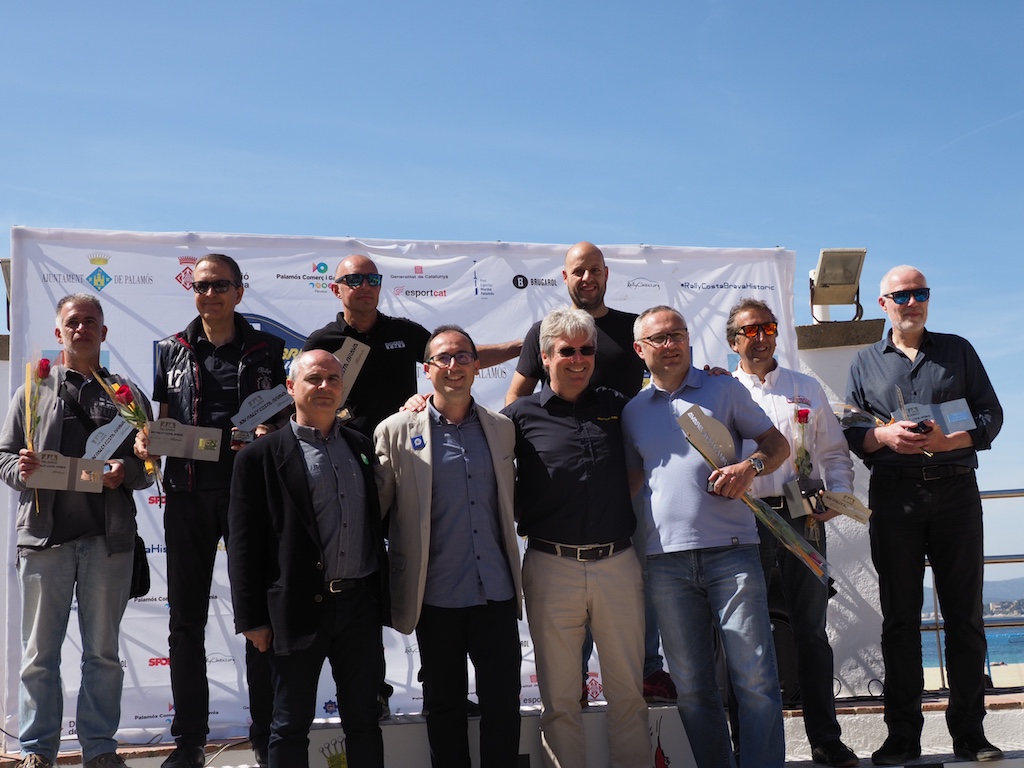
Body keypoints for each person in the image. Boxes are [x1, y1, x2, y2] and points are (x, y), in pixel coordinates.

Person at [504, 240, 674, 707]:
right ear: (565, 277)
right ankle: (572, 679)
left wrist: (716, 375)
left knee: (637, 584)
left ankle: (648, 671)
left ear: (606, 273)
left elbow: (667, 381)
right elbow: (515, 399)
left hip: (626, 485)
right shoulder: (544, 331)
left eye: (595, 269)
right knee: (571, 602)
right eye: (578, 270)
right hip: (566, 495)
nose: (587, 278)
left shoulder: (631, 328)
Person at [845, 266, 1003, 765]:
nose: (911, 302)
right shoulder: (864, 361)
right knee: (900, 620)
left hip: (956, 493)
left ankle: (970, 734)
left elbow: (991, 414)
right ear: (883, 303)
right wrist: (884, 436)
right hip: (896, 497)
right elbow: (852, 429)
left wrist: (949, 440)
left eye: (920, 293)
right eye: (901, 295)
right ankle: (903, 737)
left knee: (965, 618)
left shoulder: (959, 350)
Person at [134, 254, 285, 768]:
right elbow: (164, 421)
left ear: (240, 291)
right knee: (185, 621)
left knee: (258, 618)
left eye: (221, 285)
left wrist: (268, 433)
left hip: (250, 495)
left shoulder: (269, 349)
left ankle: (266, 736)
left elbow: (283, 419)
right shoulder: (169, 350)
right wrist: (148, 441)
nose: (210, 294)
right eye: (201, 286)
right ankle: (190, 742)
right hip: (187, 495)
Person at [623, 305, 790, 768]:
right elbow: (630, 485)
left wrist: (749, 467)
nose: (671, 344)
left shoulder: (724, 387)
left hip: (733, 555)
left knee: (756, 682)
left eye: (678, 334)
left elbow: (777, 446)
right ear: (639, 349)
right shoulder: (632, 412)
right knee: (693, 690)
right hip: (665, 563)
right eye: (659, 338)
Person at [0, 294, 154, 768]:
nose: (82, 328)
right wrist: (22, 470)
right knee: (39, 655)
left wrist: (127, 470)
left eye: (91, 321)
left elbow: (149, 466)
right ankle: (36, 750)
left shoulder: (127, 395)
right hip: (44, 539)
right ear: (59, 332)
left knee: (103, 654)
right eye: (73, 322)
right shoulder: (33, 390)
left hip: (108, 541)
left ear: (104, 333)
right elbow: (4, 458)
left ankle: (100, 749)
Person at [502, 308, 652, 768]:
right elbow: (463, 434)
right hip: (551, 567)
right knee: (560, 700)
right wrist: (420, 402)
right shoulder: (516, 417)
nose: (579, 359)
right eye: (567, 351)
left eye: (587, 350)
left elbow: (669, 411)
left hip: (618, 564)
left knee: (629, 693)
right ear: (545, 357)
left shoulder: (620, 407)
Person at [227, 350, 389, 768]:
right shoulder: (258, 457)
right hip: (296, 609)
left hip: (358, 607)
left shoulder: (361, 446)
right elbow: (243, 545)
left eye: (333, 379)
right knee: (288, 724)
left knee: (364, 720)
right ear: (290, 387)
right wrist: (252, 619)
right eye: (314, 378)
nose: (324, 387)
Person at [374, 325, 523, 768]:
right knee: (443, 706)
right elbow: (376, 512)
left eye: (462, 357)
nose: (453, 365)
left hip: (495, 591)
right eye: (443, 357)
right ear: (427, 369)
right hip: (434, 594)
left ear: (477, 366)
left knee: (503, 705)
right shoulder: (395, 430)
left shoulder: (502, 428)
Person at [727, 298, 858, 767]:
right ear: (733, 341)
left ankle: (826, 739)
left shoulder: (805, 387)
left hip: (802, 521)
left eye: (768, 327)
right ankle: (747, 744)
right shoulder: (722, 391)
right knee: (744, 638)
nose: (761, 337)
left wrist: (837, 497)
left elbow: (835, 453)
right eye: (750, 330)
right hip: (745, 522)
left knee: (812, 632)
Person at [304, 253, 521, 438]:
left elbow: (459, 357)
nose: (365, 286)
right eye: (354, 279)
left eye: (373, 280)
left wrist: (521, 348)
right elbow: (300, 398)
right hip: (346, 448)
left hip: (403, 444)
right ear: (336, 290)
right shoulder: (322, 342)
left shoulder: (404, 332)